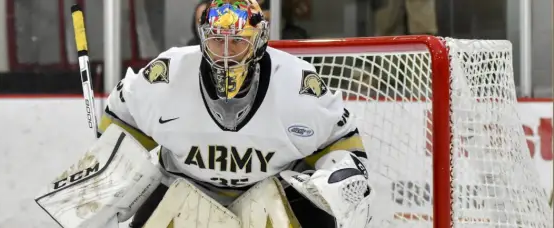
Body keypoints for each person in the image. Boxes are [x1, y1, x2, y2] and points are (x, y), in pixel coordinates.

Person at [36, 1, 373, 227]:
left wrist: (339, 177)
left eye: (238, 42)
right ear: (203, 38)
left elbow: (341, 143)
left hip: (269, 195)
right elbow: (124, 120)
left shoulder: (298, 84)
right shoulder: (168, 73)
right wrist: (111, 162)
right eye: (216, 42)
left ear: (259, 40)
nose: (226, 53)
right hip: (184, 190)